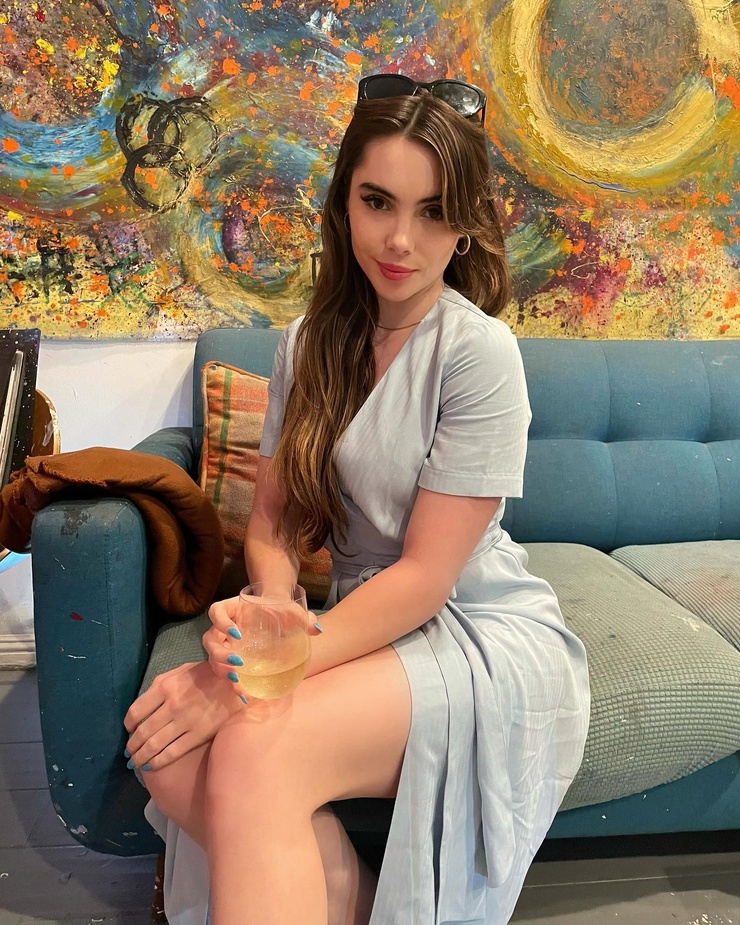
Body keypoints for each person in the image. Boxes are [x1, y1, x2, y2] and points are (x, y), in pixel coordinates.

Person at [123, 75, 591, 925]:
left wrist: (248, 677)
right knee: (163, 748)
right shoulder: (308, 342)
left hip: (473, 630)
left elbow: (424, 579)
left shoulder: (479, 353)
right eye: (378, 201)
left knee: (251, 745)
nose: (401, 239)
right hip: (361, 617)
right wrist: (271, 603)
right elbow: (273, 520)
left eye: (433, 212)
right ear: (344, 202)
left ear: (465, 225)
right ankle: (346, 892)